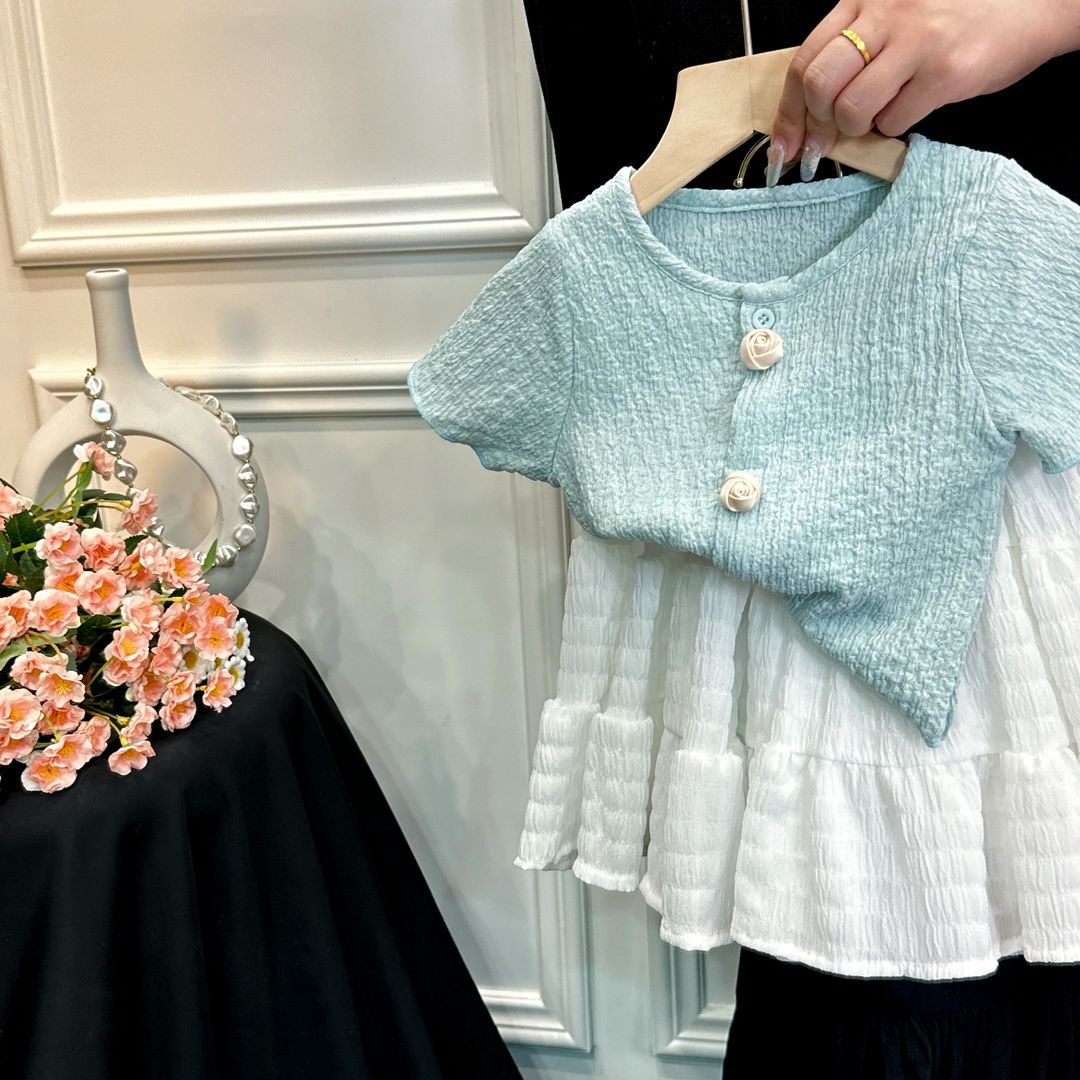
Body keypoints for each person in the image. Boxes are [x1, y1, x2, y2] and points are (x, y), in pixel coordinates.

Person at [518, 2, 1080, 1076]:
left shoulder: (992, 229)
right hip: (695, 389)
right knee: (841, 960)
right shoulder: (596, 263)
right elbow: (495, 385)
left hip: (1006, 440)